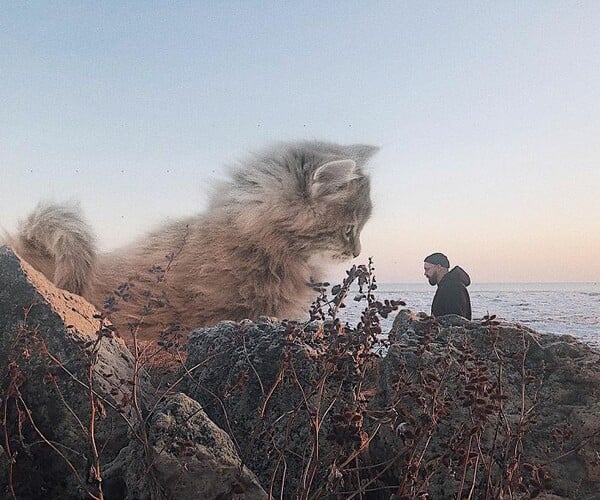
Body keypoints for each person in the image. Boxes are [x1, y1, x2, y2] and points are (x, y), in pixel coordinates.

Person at [423, 252, 472, 320]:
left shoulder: (453, 288)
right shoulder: (444, 287)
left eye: (427, 269)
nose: (425, 273)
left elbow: (456, 320)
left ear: (438, 267)